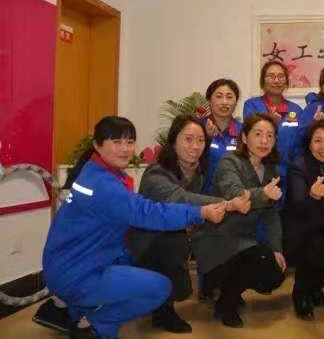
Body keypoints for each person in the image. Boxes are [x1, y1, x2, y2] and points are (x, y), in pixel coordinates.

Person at [41, 116, 226, 339]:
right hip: (78, 271)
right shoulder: (105, 184)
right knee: (160, 288)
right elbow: (149, 213)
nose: (125, 149)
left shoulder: (95, 171)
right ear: (98, 145)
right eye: (116, 142)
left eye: (129, 142)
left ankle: (66, 307)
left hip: (77, 261)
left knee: (147, 257)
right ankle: (93, 325)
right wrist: (200, 212)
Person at [128, 115, 250, 333]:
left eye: (200, 140)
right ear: (173, 141)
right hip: (148, 243)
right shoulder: (156, 173)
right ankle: (162, 310)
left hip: (180, 235)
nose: (195, 146)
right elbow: (181, 199)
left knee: (225, 235)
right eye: (188, 139)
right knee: (176, 248)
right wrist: (227, 204)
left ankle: (216, 288)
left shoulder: (197, 171)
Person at [191, 113, 286, 328]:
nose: (264, 141)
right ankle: (225, 303)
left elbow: (271, 215)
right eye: (258, 134)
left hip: (243, 241)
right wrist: (264, 194)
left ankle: (229, 291)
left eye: (270, 136)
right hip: (216, 238)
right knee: (255, 258)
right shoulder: (229, 161)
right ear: (244, 137)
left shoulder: (271, 170)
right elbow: (236, 195)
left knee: (273, 271)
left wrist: (277, 249)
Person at [282, 120, 324, 320]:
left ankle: (314, 288)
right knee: (315, 252)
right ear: (309, 145)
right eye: (317, 141)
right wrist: (312, 196)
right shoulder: (299, 166)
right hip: (302, 229)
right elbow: (297, 205)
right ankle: (300, 294)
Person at [243, 60, 303, 184]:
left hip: (289, 174)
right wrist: (270, 121)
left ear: (286, 81)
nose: (276, 81)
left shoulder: (296, 110)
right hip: (259, 173)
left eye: (280, 76)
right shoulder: (251, 105)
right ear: (263, 81)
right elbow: (249, 138)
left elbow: (300, 143)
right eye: (271, 76)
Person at [201, 78, 243, 194]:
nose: (224, 102)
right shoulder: (198, 128)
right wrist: (206, 139)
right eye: (219, 96)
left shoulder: (243, 132)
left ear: (236, 101)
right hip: (202, 197)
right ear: (209, 100)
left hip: (234, 196)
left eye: (229, 97)